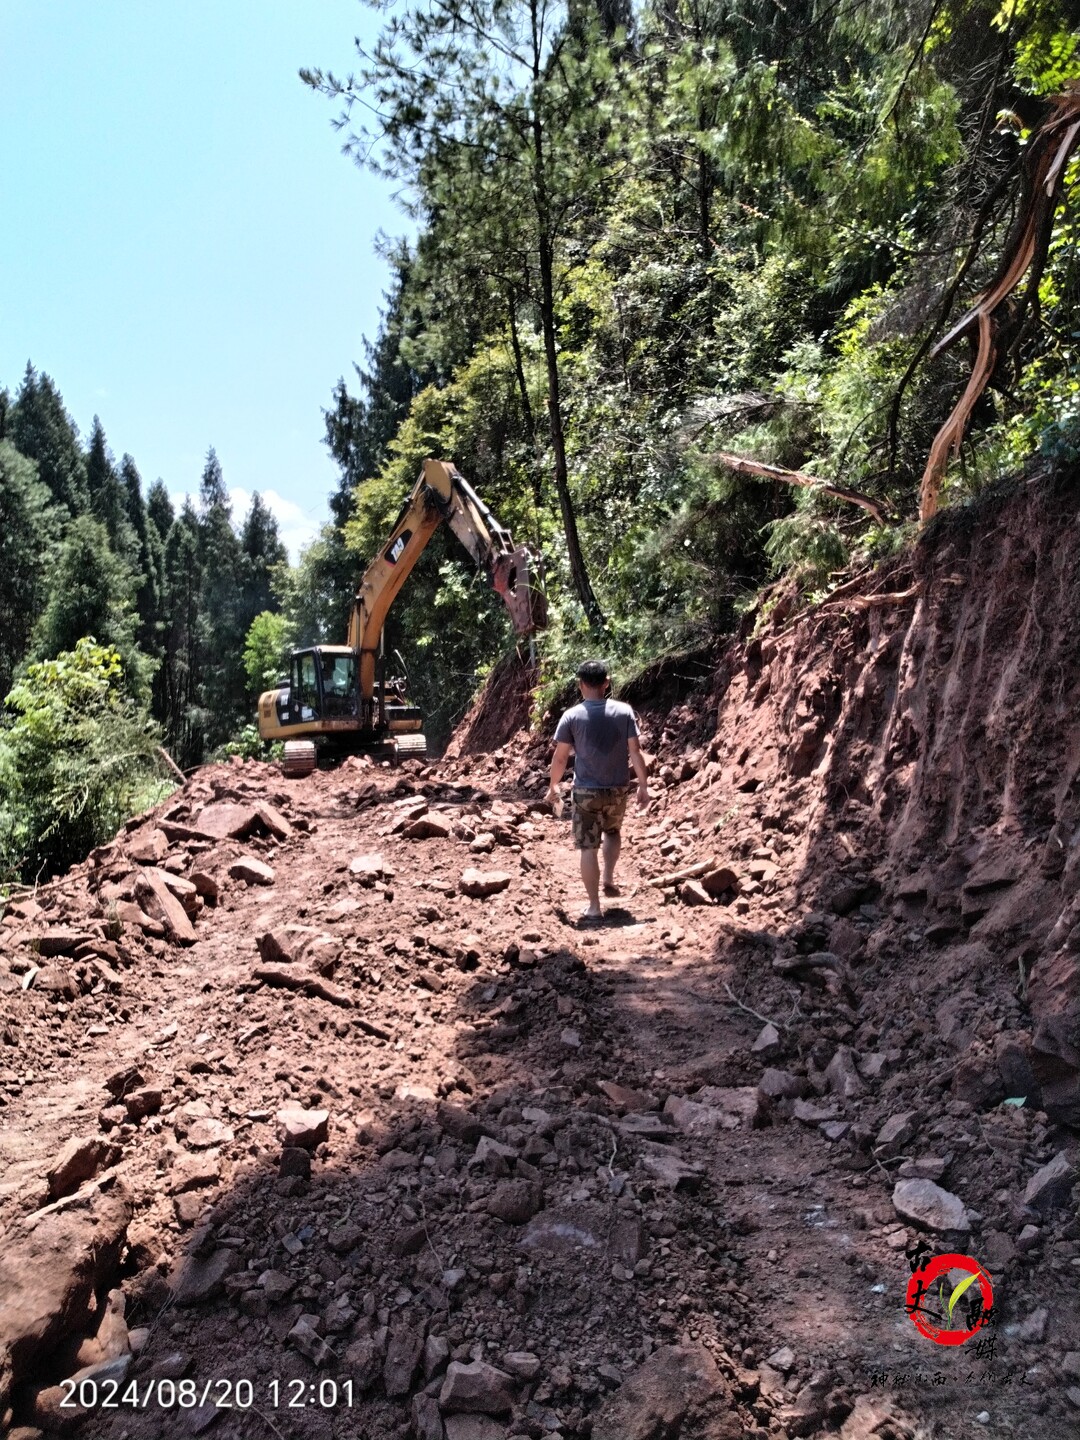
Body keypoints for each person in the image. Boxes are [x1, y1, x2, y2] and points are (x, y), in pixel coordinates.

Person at [545, 659, 651, 922]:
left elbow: (560, 758)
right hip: (617, 789)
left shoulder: (572, 716)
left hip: (585, 793)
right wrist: (644, 786)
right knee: (613, 831)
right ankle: (609, 877)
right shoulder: (624, 712)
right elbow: (635, 752)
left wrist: (553, 785)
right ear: (606, 683)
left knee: (587, 848)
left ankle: (594, 906)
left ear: (581, 685)